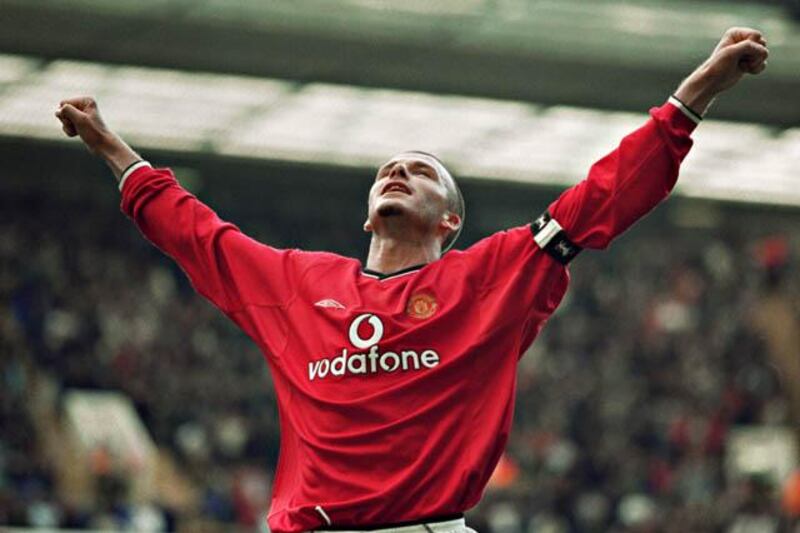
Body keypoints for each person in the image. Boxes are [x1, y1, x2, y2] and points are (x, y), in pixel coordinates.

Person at [55, 27, 768, 533]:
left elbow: (603, 197)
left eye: (420, 170)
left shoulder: (494, 276)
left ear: (449, 220)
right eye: (385, 170)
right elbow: (194, 232)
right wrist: (110, 146)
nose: (397, 172)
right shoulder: (297, 283)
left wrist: (696, 92)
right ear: (368, 216)